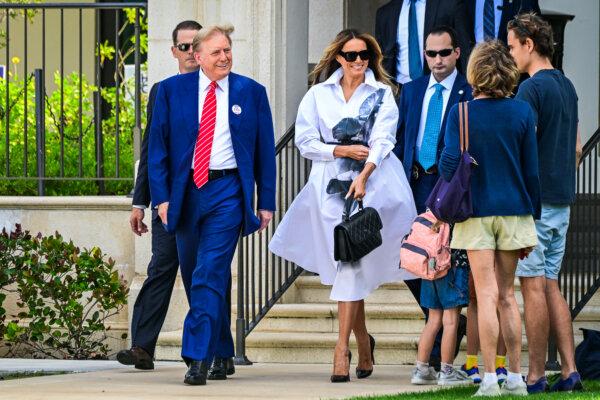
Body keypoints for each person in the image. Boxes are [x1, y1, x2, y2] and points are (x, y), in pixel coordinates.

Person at [269, 29, 416, 383]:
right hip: (328, 187)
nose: (359, 62)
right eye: (351, 56)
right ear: (339, 58)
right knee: (349, 267)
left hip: (372, 184)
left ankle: (342, 349)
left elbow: (383, 139)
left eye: (364, 55)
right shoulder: (318, 95)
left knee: (351, 267)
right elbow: (305, 140)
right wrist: (340, 150)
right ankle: (364, 342)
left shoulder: (382, 93)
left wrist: (363, 174)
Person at [148, 24, 276, 386]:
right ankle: (222, 349)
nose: (224, 57)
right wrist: (161, 199)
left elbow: (265, 149)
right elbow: (158, 149)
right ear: (198, 57)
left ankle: (197, 357)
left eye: (228, 50)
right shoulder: (171, 91)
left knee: (209, 271)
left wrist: (265, 200)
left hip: (227, 192)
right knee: (195, 276)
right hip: (186, 194)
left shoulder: (251, 92)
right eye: (216, 52)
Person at [438, 40, 540, 397]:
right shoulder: (523, 113)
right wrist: (533, 221)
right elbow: (532, 172)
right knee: (508, 297)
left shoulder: (461, 113)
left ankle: (489, 380)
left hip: (475, 212)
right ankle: (515, 376)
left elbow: (449, 166)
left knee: (484, 294)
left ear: (474, 71)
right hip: (515, 212)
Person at [118, 20, 207, 372]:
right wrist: (140, 202)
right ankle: (142, 346)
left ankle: (212, 350)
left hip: (210, 200)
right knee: (161, 268)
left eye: (194, 46)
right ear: (174, 52)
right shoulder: (163, 90)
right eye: (183, 47)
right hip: (169, 201)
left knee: (204, 273)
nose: (189, 53)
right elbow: (153, 148)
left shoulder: (223, 89)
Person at [508, 12, 583, 393]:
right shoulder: (567, 86)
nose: (510, 54)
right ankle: (569, 371)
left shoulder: (530, 90)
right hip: (564, 201)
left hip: (536, 204)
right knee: (550, 285)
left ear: (528, 44)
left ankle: (535, 374)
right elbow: (577, 148)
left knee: (532, 286)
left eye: (512, 46)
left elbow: (521, 148)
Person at [394, 25, 471, 372]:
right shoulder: (409, 91)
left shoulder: (468, 93)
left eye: (444, 53)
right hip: (413, 186)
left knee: (445, 262)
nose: (437, 60)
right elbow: (399, 139)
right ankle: (442, 333)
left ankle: (441, 344)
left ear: (457, 53)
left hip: (448, 189)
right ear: (424, 55)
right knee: (413, 261)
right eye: (431, 53)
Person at [374, 0, 471, 89]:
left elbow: (464, 49)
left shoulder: (451, 4)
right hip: (399, 92)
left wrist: (469, 87)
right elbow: (381, 58)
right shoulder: (385, 13)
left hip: (442, 89)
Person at [411, 248, 471, 386]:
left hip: (430, 263)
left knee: (433, 320)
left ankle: (421, 370)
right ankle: (447, 371)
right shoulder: (450, 224)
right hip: (453, 262)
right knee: (450, 321)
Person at [466, 0, 540, 45]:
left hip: (510, 67)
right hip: (472, 66)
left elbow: (537, 35)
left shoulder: (524, 2)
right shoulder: (461, 3)